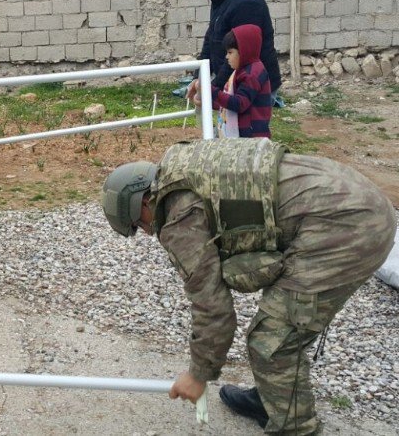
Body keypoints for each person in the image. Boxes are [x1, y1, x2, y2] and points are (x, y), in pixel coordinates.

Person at [101, 139, 395, 435]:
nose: (149, 231)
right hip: (352, 196)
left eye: (140, 224)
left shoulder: (179, 218)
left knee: (272, 342)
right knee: (280, 319)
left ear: (142, 203)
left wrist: (198, 374)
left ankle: (295, 427)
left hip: (348, 226)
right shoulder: (179, 167)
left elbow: (212, 306)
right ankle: (273, 397)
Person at [187, 0, 281, 105]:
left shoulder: (247, 3)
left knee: (246, 130)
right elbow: (211, 38)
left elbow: (240, 54)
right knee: (225, 130)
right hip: (233, 81)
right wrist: (199, 77)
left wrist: (212, 90)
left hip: (251, 87)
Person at [194, 24, 272, 138]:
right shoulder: (240, 71)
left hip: (252, 138)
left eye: (230, 52)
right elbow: (228, 102)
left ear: (244, 50)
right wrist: (207, 102)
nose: (226, 57)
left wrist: (210, 90)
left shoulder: (252, 74)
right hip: (243, 136)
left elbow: (239, 104)